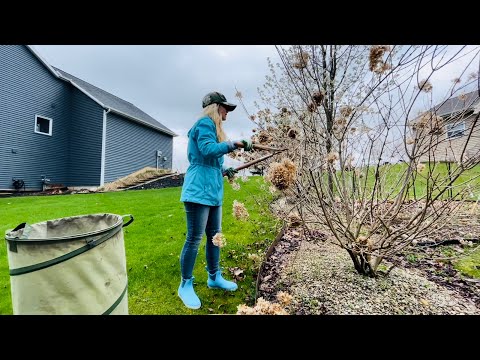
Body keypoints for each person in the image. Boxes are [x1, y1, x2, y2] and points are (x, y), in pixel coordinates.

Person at [178, 91, 253, 309]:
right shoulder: (203, 123)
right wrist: (235, 144)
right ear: (214, 107)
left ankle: (214, 277)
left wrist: (226, 169)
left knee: (215, 236)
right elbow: (207, 150)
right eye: (225, 109)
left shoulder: (214, 129)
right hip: (198, 189)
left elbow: (214, 162)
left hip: (212, 190)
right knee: (194, 238)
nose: (227, 115)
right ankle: (185, 284)